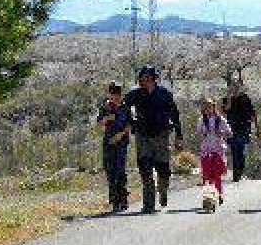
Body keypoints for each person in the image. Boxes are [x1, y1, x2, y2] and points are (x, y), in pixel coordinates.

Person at [126, 65, 184, 213]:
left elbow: (175, 115)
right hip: (143, 135)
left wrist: (179, 136)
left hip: (161, 135)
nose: (143, 81)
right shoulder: (135, 94)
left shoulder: (164, 94)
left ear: (153, 79)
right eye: (141, 78)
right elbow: (124, 107)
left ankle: (163, 190)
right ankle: (148, 204)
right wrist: (131, 123)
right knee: (145, 168)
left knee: (163, 169)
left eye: (146, 78)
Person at [97, 81, 132, 212]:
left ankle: (123, 199)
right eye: (112, 94)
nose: (114, 97)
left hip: (121, 143)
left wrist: (120, 135)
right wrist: (107, 118)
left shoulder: (126, 107)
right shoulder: (105, 107)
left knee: (120, 171)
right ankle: (114, 201)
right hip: (108, 142)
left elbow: (130, 124)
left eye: (117, 94)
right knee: (109, 170)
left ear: (121, 95)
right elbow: (99, 123)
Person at [196, 98, 233, 205]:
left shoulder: (220, 119)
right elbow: (198, 133)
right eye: (206, 107)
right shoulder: (201, 120)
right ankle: (208, 197)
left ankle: (219, 194)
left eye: (210, 106)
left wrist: (221, 133)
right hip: (206, 150)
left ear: (214, 107)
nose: (208, 109)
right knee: (207, 175)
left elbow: (229, 133)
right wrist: (202, 134)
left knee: (217, 174)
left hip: (218, 149)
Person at [222, 78, 257, 182]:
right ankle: (236, 174)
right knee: (234, 150)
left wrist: (256, 127)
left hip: (244, 128)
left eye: (236, 86)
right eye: (233, 86)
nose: (235, 88)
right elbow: (226, 109)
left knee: (240, 149)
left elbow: (252, 113)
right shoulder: (226, 99)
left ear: (240, 87)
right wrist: (229, 97)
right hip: (231, 128)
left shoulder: (245, 98)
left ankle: (239, 169)